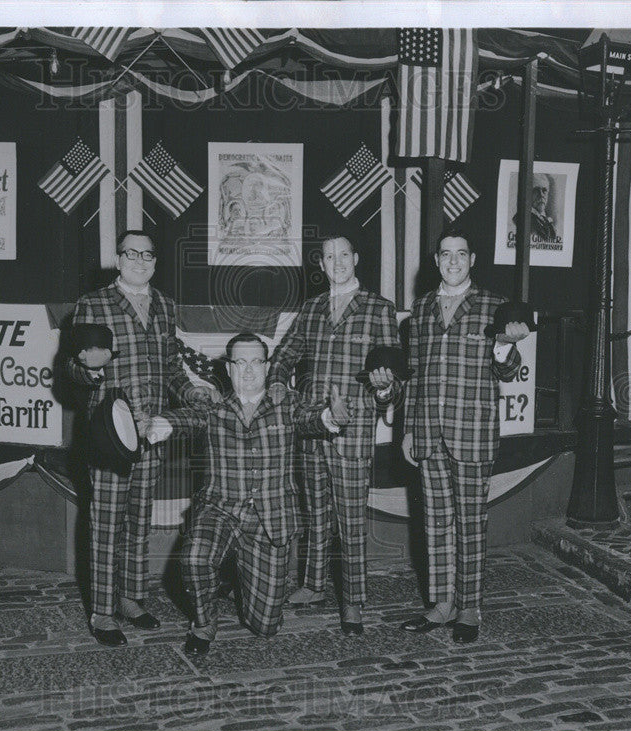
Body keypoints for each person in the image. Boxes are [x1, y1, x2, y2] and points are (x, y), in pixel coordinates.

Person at [148, 332, 349, 655]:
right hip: (220, 509)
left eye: (256, 361)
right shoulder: (214, 407)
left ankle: (237, 579)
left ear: (268, 366)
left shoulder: (288, 403)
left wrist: (331, 417)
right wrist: (160, 425)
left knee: (265, 626)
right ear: (228, 369)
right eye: (240, 362)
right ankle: (204, 621)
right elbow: (187, 419)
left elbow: (312, 418)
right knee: (195, 558)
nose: (249, 370)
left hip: (269, 518)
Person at [67, 229, 219, 647]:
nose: (140, 260)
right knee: (106, 523)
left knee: (139, 520)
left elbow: (171, 368)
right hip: (108, 435)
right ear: (117, 259)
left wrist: (194, 392)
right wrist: (91, 368)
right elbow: (74, 370)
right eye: (131, 253)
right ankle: (102, 611)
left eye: (148, 254)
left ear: (155, 261)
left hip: (151, 432)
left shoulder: (166, 306)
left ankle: (132, 598)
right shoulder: (93, 304)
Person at [399, 228, 530, 644]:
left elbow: (506, 372)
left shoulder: (494, 306)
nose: (453, 262)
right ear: (436, 261)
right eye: (445, 255)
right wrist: (407, 430)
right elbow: (414, 374)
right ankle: (441, 604)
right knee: (434, 521)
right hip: (427, 432)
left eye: (461, 254)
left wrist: (504, 347)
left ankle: (470, 607)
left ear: (472, 259)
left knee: (471, 522)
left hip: (471, 433)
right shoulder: (420, 309)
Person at [267, 233, 401, 635]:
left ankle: (353, 602)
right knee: (316, 512)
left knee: (351, 519)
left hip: (354, 429)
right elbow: (284, 354)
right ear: (321, 265)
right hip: (311, 425)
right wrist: (276, 381)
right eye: (329, 256)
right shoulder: (310, 309)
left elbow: (394, 378)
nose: (337, 261)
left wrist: (383, 389)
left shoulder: (379, 309)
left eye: (344, 254)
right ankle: (313, 585)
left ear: (355, 258)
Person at [512, 172, 557, 242]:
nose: (541, 195)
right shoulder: (519, 218)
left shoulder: (547, 220)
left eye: (544, 190)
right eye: (536, 190)